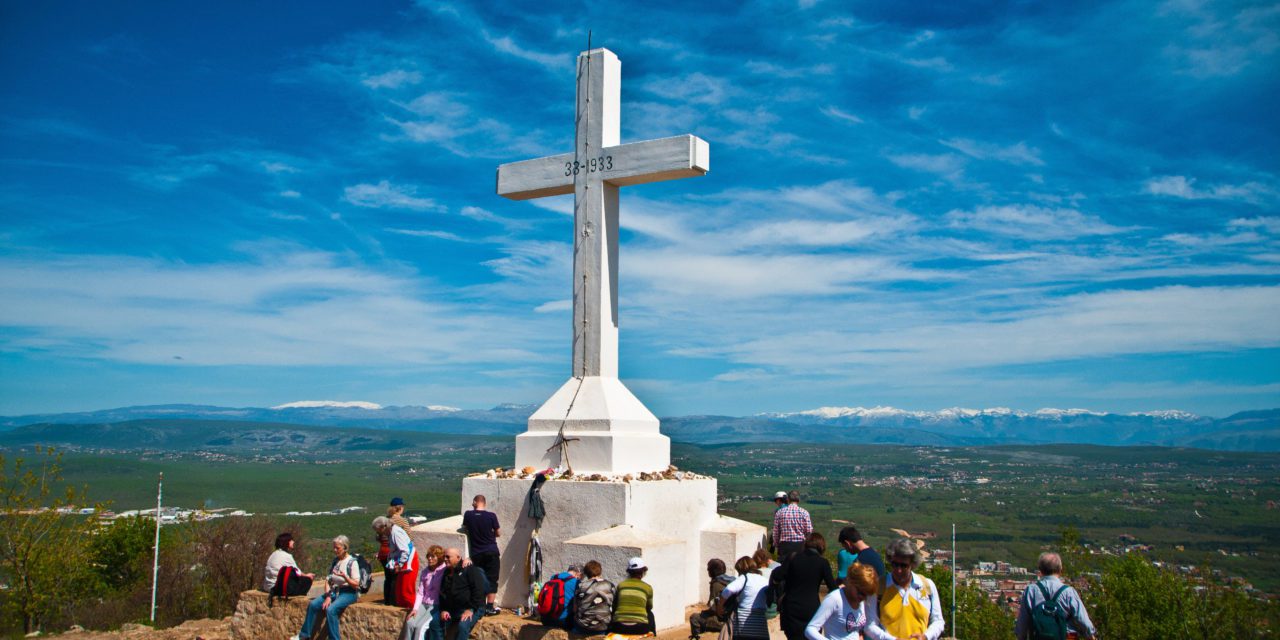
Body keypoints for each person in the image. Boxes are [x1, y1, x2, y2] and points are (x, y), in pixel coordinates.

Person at [865, 538, 943, 640]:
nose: (898, 570)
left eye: (904, 565)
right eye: (895, 564)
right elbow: (869, 625)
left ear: (912, 564)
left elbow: (938, 621)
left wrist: (926, 636)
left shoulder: (927, 585)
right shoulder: (879, 586)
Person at [1014, 552, 1096, 640]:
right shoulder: (1069, 592)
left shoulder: (1030, 591)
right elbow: (1082, 619)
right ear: (1061, 570)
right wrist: (1091, 635)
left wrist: (1021, 637)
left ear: (1040, 570)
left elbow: (1023, 623)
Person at [292, 536, 361, 640]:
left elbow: (356, 584)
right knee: (313, 604)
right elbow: (328, 580)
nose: (335, 550)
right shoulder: (335, 561)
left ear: (345, 548)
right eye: (334, 548)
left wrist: (345, 577)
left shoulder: (352, 562)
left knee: (331, 610)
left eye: (337, 548)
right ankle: (304, 635)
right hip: (334, 591)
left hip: (348, 592)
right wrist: (328, 596)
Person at [772, 532, 839, 640]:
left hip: (791, 608)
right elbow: (833, 587)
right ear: (821, 546)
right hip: (811, 609)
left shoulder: (792, 557)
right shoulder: (823, 563)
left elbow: (778, 576)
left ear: (806, 544)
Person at [804, 564, 879, 640]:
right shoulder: (835, 598)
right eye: (861, 593)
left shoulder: (861, 601)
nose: (863, 597)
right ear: (851, 582)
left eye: (866, 595)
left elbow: (856, 630)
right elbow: (810, 629)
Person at [461, 494, 501, 615]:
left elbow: (465, 528)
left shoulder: (468, 515)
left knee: (479, 579)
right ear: (484, 503)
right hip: (491, 551)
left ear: (474, 502)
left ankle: (480, 605)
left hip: (476, 553)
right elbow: (498, 533)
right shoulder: (491, 516)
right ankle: (490, 607)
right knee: (492, 579)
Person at [439, 547, 486, 640]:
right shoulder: (446, 572)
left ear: (458, 557)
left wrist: (470, 609)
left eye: (448, 557)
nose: (445, 559)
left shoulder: (469, 569)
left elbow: (478, 591)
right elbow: (443, 593)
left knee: (463, 626)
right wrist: (444, 609)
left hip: (474, 607)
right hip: (455, 609)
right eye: (444, 556)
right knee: (435, 623)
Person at [718, 556, 770, 640]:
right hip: (760, 623)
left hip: (743, 623)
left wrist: (720, 607)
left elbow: (727, 590)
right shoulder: (765, 580)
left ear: (742, 569)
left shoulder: (744, 578)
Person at [402, 545, 447, 640]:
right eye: (428, 556)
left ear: (439, 558)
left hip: (436, 605)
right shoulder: (425, 572)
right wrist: (415, 609)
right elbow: (420, 592)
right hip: (424, 603)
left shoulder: (444, 570)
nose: (430, 559)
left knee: (420, 627)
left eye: (433, 556)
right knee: (410, 623)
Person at [375, 515, 420, 608]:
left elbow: (405, 550)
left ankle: (411, 612)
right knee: (399, 591)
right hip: (403, 563)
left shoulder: (396, 532)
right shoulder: (392, 533)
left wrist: (399, 564)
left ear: (384, 527)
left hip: (408, 562)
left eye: (379, 530)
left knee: (406, 590)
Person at [689, 558, 735, 638]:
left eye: (708, 569)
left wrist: (705, 612)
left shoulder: (716, 584)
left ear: (713, 571)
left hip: (722, 621)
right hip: (733, 618)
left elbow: (714, 608)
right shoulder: (731, 580)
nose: (707, 570)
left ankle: (697, 637)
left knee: (694, 618)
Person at [610, 557, 656, 635]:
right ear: (643, 571)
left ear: (629, 572)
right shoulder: (647, 587)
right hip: (640, 628)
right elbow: (649, 607)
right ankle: (653, 636)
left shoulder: (621, 585)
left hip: (619, 627)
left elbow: (614, 606)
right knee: (650, 614)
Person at [574, 560, 615, 634]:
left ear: (586, 573)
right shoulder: (610, 585)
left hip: (584, 626)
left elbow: (575, 608)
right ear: (600, 571)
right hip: (602, 626)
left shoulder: (581, 586)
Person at [773, 491, 813, 560]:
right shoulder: (804, 513)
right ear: (798, 500)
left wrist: (777, 545)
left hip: (784, 545)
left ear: (788, 499)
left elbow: (776, 532)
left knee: (784, 568)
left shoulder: (780, 512)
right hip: (800, 546)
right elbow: (809, 531)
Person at [539, 564, 581, 629]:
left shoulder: (553, 577)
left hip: (545, 619)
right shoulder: (576, 582)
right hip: (562, 622)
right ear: (577, 574)